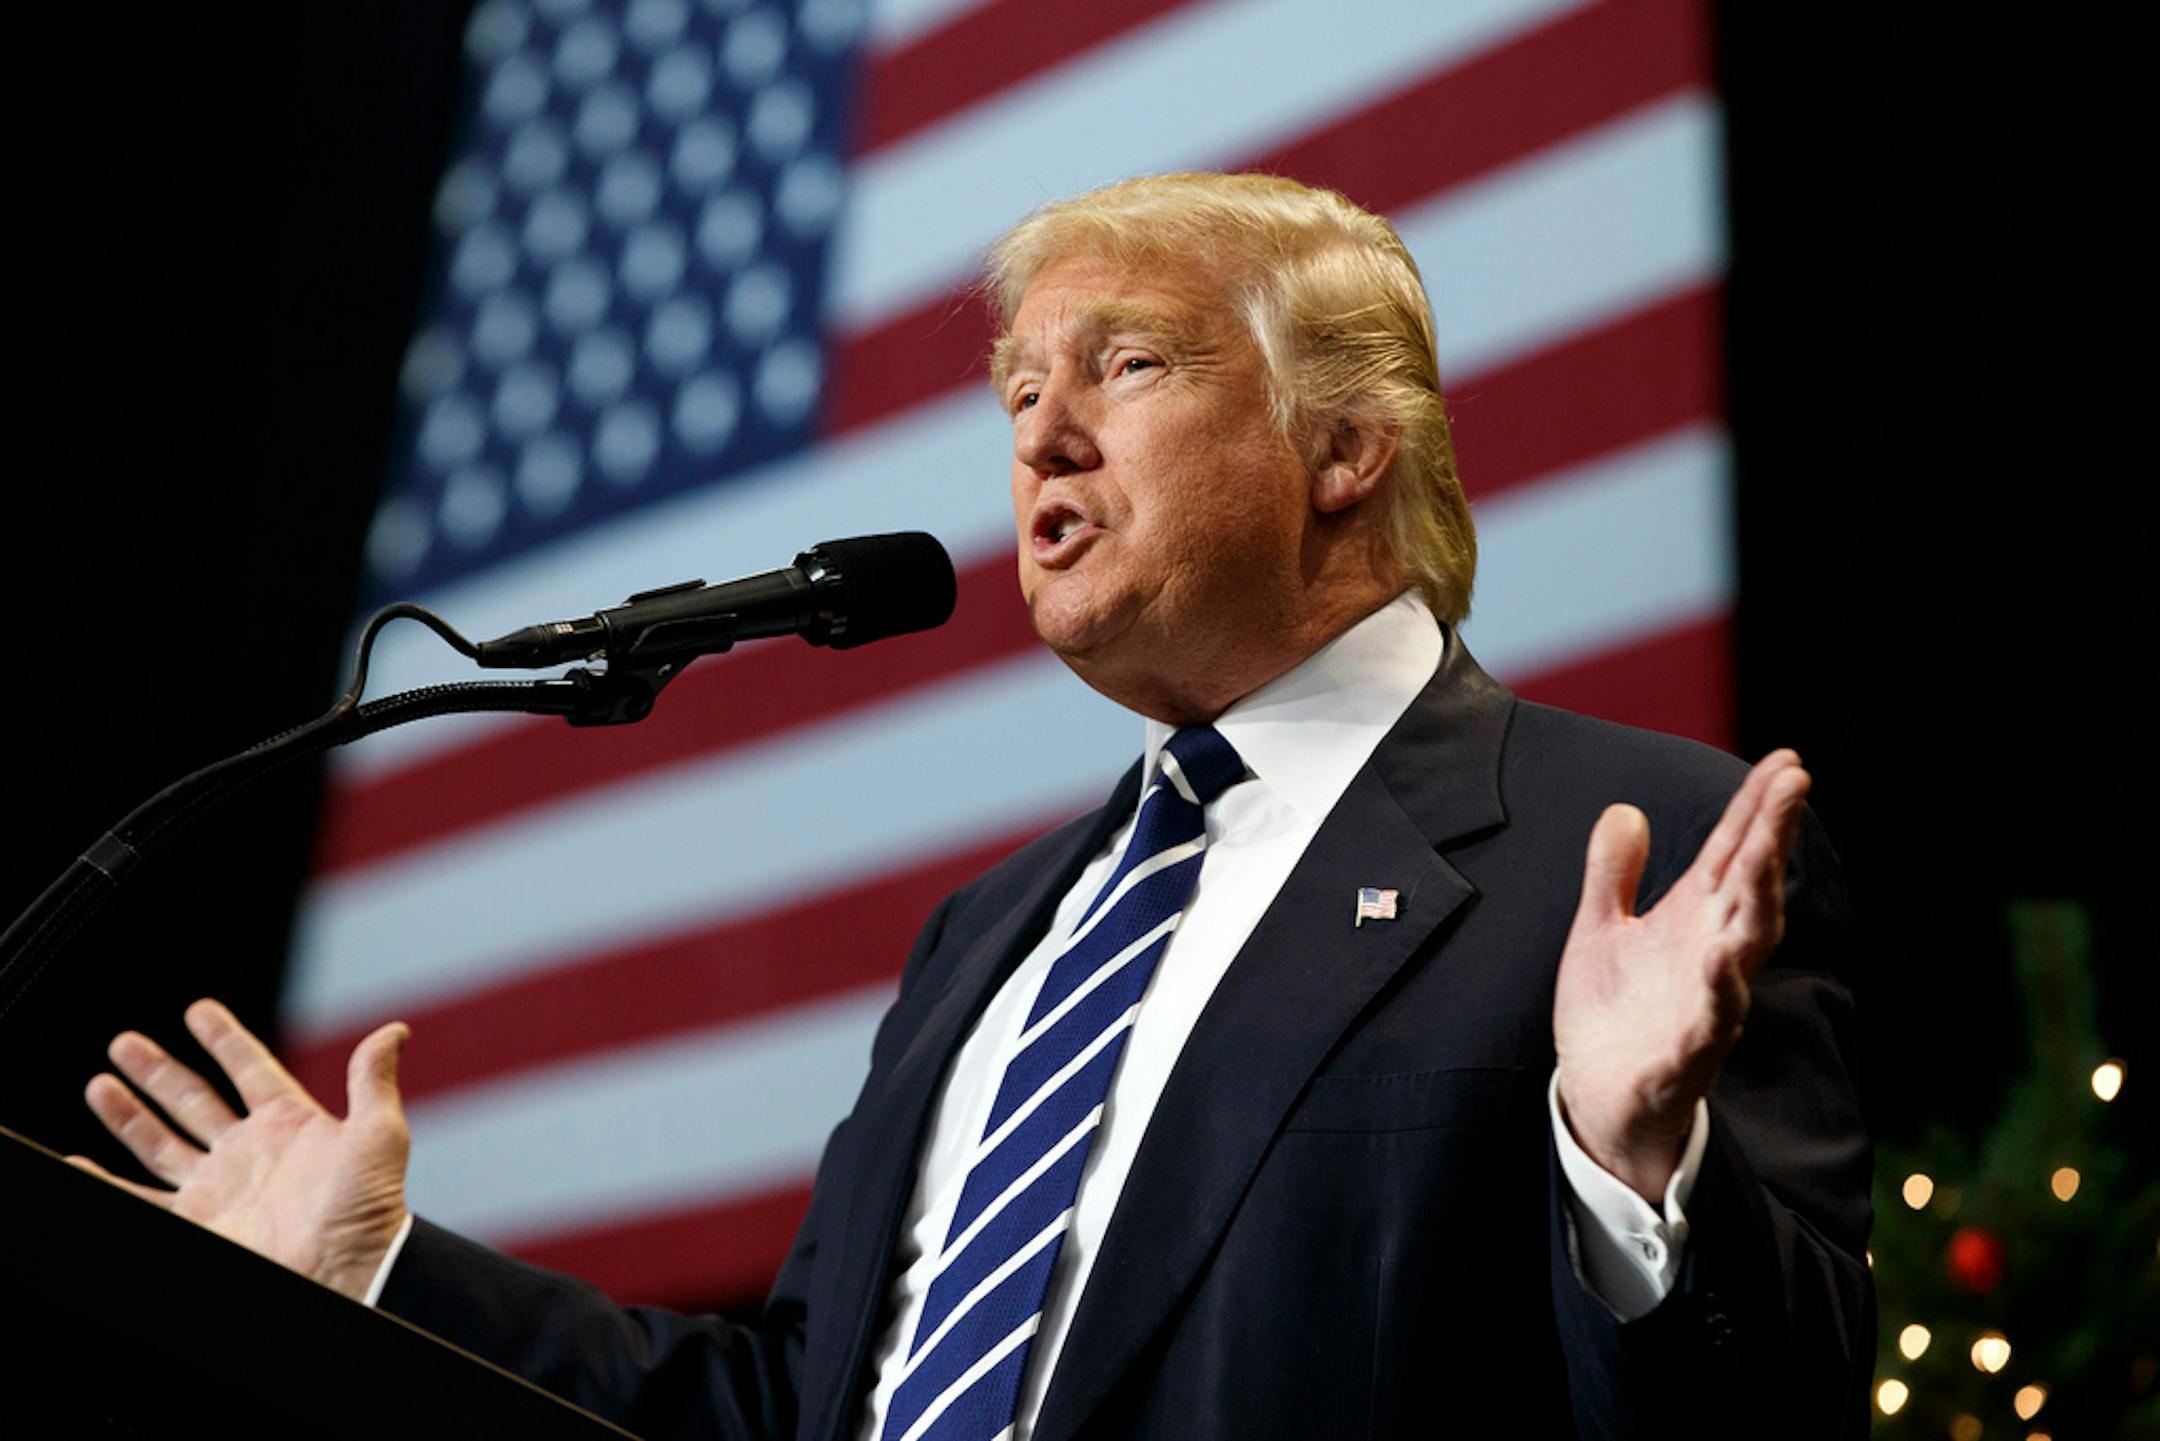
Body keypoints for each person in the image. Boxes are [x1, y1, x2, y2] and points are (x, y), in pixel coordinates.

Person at [76, 174, 1872, 1439]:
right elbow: (798, 1407)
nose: (1039, 438)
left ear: (1344, 447)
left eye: (1127, 367)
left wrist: (1639, 1181)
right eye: (1022, 390)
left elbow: (1774, 1408)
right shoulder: (999, 930)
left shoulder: (1618, 845)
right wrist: (384, 1265)